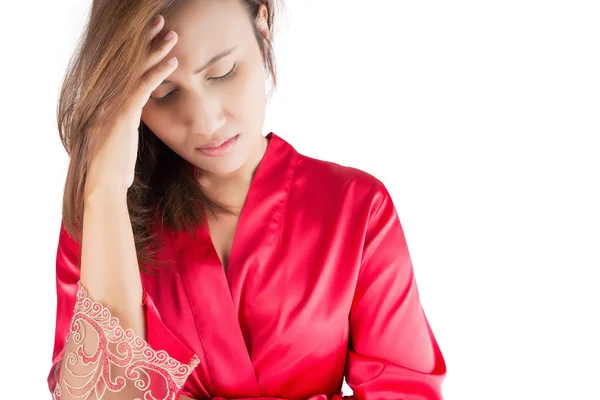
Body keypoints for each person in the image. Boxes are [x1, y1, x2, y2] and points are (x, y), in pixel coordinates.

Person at [47, 0, 447, 399]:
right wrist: (102, 188)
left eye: (222, 72)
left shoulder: (357, 209)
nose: (206, 121)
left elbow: (406, 390)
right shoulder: (101, 220)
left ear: (262, 23)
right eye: (164, 94)